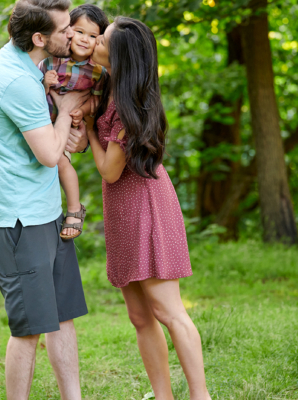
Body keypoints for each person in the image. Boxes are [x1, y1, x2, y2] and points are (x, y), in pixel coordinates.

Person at [85, 17, 212, 400]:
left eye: (101, 41)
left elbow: (109, 170)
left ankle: (200, 396)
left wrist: (89, 127)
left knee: (169, 311)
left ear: (119, 56)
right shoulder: (108, 89)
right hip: (124, 211)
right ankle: (163, 396)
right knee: (140, 316)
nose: (94, 43)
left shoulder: (129, 107)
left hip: (146, 207)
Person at [0, 0, 90, 398]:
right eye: (64, 30)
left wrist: (64, 125)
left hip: (45, 213)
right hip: (18, 222)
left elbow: (55, 144)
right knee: (28, 329)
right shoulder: (16, 80)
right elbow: (47, 153)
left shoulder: (30, 66)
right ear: (40, 38)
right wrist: (68, 111)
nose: (72, 35)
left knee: (62, 317)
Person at [38, 4, 109, 239]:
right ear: (69, 30)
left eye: (92, 36)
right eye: (79, 32)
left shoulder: (98, 72)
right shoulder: (51, 61)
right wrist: (46, 82)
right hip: (43, 124)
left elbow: (98, 102)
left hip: (68, 128)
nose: (84, 40)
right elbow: (34, 93)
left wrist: (82, 110)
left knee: (60, 163)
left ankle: (74, 209)